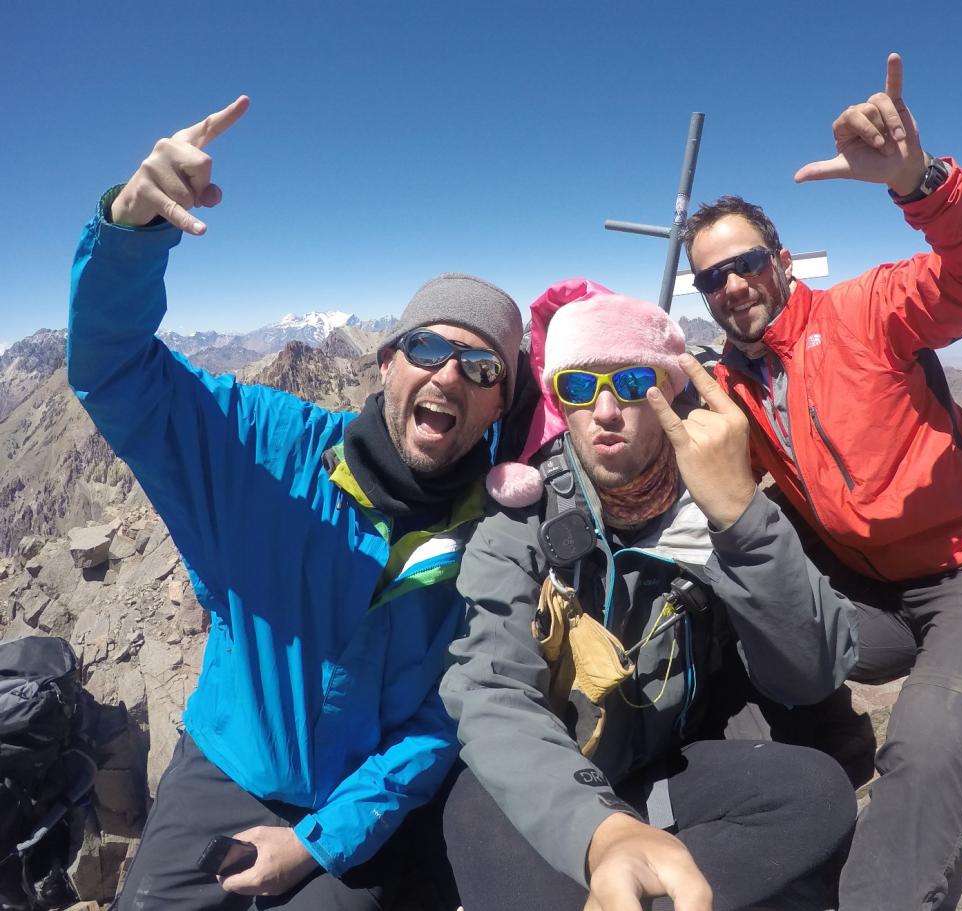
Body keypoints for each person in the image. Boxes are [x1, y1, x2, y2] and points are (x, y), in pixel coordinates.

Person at [67, 96, 523, 910]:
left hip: (358, 798)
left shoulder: (496, 536)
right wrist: (131, 234)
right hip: (231, 763)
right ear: (387, 362)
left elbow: (445, 715)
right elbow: (115, 372)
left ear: (499, 405)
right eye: (428, 347)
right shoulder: (264, 444)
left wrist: (323, 837)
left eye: (481, 369)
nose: (450, 375)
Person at [682, 55, 962, 910]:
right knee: (729, 613)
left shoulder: (867, 309)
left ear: (782, 259)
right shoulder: (729, 384)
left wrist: (920, 182)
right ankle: (818, 767)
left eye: (746, 263)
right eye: (712, 278)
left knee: (930, 749)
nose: (733, 285)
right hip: (873, 592)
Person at [439, 280, 859, 911]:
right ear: (561, 401)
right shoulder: (522, 524)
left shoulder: (717, 506)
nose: (605, 411)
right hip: (557, 784)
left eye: (633, 383)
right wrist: (599, 832)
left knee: (815, 791)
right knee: (473, 806)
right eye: (580, 386)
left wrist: (743, 517)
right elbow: (490, 689)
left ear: (669, 391)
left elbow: (811, 673)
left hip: (664, 775)